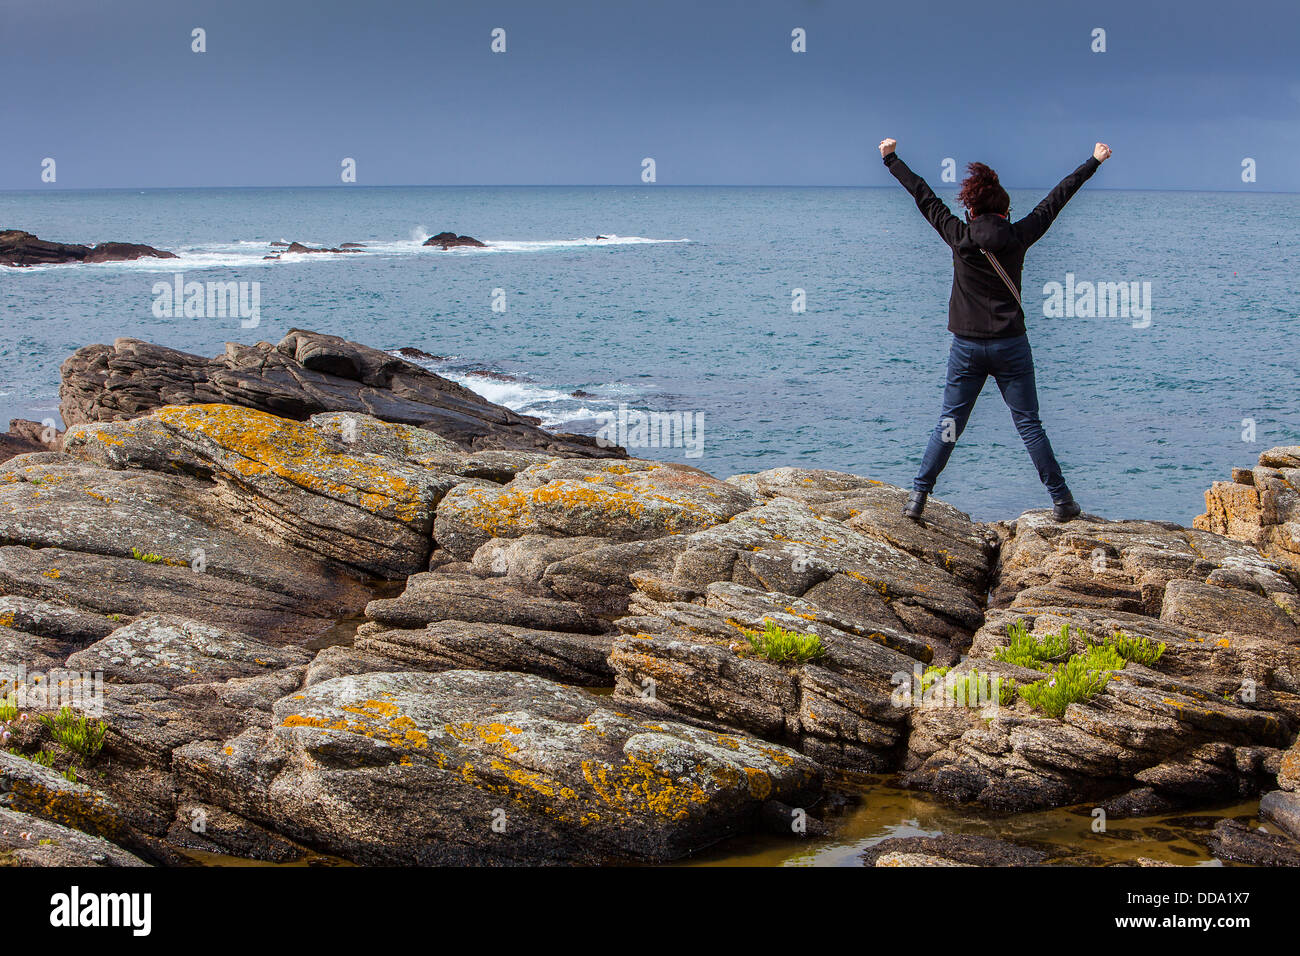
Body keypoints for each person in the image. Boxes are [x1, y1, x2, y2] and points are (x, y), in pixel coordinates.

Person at [878, 137, 1112, 523]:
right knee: (1029, 425)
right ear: (1005, 212)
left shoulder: (958, 235)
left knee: (949, 423)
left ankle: (918, 497)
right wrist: (1094, 161)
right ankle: (1062, 500)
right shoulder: (1019, 236)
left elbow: (923, 195)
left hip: (967, 348)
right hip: (1010, 347)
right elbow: (1057, 198)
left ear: (969, 210)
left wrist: (891, 160)